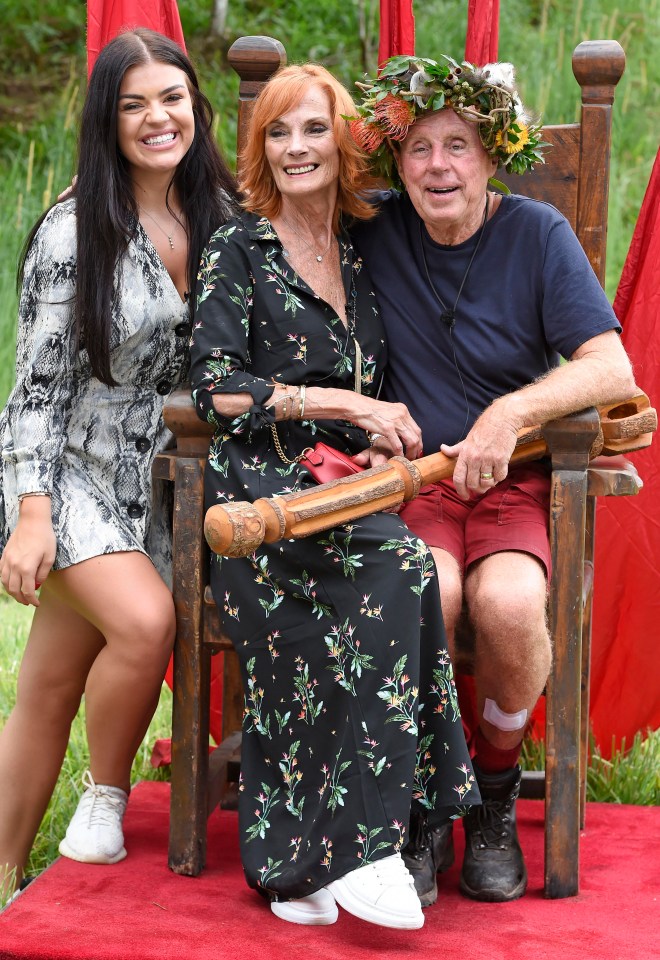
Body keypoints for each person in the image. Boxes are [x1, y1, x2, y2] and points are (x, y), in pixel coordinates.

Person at [189, 63, 479, 930]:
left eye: (314, 129)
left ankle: (320, 855)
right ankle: (370, 844)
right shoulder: (238, 247)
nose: (295, 148)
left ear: (343, 142)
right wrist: (345, 403)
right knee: (402, 569)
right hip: (260, 495)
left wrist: (389, 428)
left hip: (343, 486)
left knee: (410, 569)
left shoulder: (362, 244)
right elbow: (215, 390)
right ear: (260, 147)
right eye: (279, 132)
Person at [348, 55, 636, 903]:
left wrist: (510, 415)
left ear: (492, 154)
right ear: (398, 164)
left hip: (514, 482)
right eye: (420, 148)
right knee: (425, 597)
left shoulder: (537, 234)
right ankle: (424, 800)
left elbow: (610, 365)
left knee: (508, 607)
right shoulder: (373, 230)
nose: (439, 166)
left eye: (459, 146)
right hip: (416, 486)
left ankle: (495, 789)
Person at [0, 28, 237, 899]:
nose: (157, 117)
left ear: (194, 107)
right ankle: (102, 800)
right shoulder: (74, 230)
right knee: (144, 623)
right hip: (61, 470)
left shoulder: (216, 211)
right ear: (108, 118)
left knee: (52, 682)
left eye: (171, 97)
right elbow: (35, 389)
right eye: (133, 103)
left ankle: (4, 875)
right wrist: (32, 514)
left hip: (151, 484)